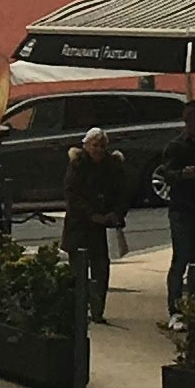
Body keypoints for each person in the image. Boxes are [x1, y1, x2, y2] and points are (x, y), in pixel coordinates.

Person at [153, 107, 195, 323]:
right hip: (182, 209)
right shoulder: (176, 146)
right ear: (186, 122)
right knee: (181, 258)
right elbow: (166, 175)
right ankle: (175, 309)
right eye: (194, 120)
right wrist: (183, 174)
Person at [61, 124, 132, 321]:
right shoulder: (77, 165)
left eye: (101, 146)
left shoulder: (113, 166)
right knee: (78, 272)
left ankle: (98, 309)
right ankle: (79, 309)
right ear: (86, 146)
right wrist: (91, 214)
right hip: (80, 226)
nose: (98, 150)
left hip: (103, 228)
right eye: (94, 145)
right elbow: (71, 195)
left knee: (102, 268)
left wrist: (115, 214)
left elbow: (123, 192)